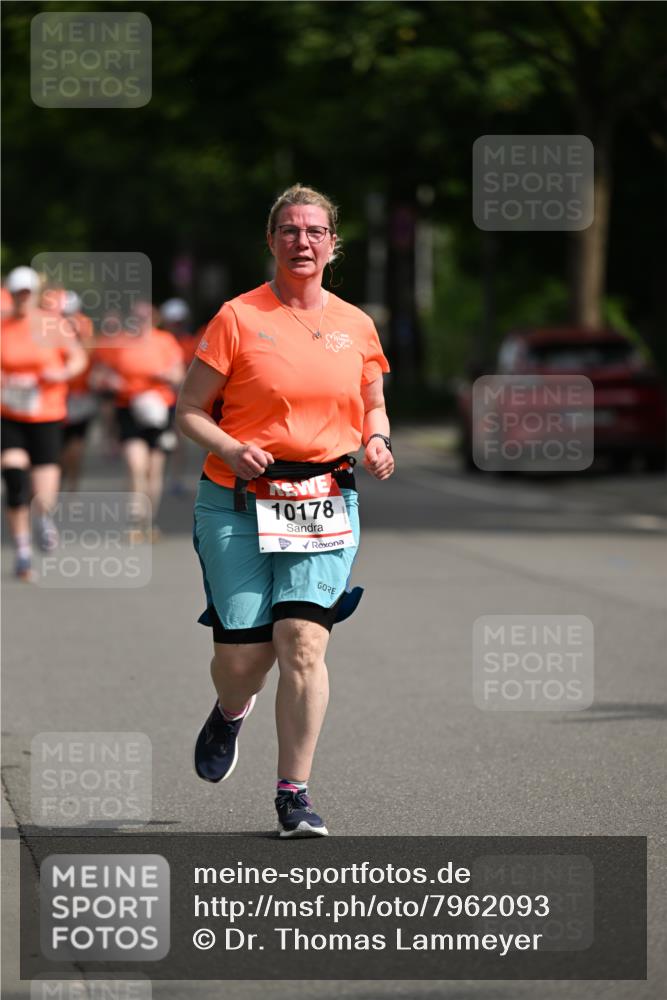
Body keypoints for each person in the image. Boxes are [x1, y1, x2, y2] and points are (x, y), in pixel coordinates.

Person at [176, 184, 394, 837]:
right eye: (290, 231)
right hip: (238, 501)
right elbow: (188, 411)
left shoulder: (355, 324)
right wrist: (229, 446)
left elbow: (372, 401)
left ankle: (293, 793)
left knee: (301, 641)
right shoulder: (237, 318)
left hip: (323, 499)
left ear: (332, 244)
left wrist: (377, 437)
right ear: (271, 241)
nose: (303, 242)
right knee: (243, 659)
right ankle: (230, 708)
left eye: (315, 231)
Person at [1, 267, 87, 579]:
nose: (23, 298)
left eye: (27, 292)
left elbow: (78, 357)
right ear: (11, 293)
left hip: (47, 414)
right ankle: (23, 551)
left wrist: (62, 374)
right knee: (13, 477)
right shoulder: (3, 326)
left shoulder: (54, 324)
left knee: (44, 493)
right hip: (10, 414)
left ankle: (43, 518)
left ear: (35, 294)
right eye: (17, 292)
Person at [90, 301, 185, 539]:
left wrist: (165, 376)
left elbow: (179, 373)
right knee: (135, 466)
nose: (141, 321)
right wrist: (109, 381)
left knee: (154, 469)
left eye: (145, 316)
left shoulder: (165, 342)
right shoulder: (120, 343)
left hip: (159, 410)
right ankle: (135, 520)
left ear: (154, 319)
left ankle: (149, 521)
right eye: (136, 317)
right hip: (129, 408)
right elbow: (98, 375)